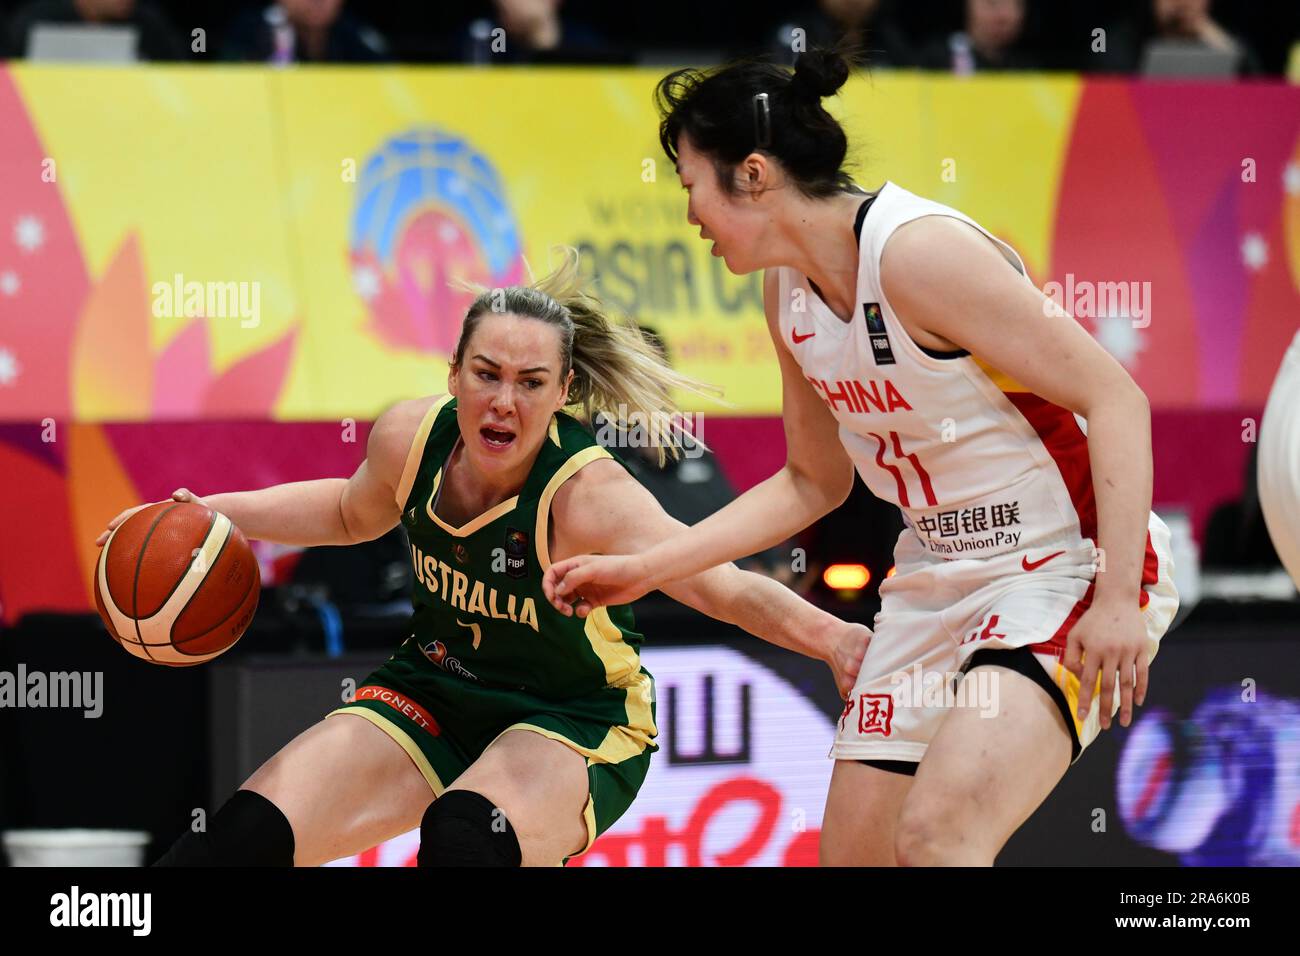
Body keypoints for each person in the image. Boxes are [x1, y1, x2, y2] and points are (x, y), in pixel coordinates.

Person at [544, 47, 1180, 866]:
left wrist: (1120, 597)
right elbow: (813, 480)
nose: (690, 212)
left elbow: (1116, 398)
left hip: (1058, 562)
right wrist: (649, 566)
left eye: (690, 182)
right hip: (932, 576)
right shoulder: (786, 290)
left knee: (940, 836)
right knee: (856, 856)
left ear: (755, 174)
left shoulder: (918, 254)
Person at [95, 248, 869, 867]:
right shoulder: (410, 437)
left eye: (532, 383)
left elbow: (724, 588)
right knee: (239, 843)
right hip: (431, 691)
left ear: (565, 391)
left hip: (571, 717)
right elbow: (343, 510)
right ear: (455, 374)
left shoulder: (589, 498)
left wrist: (835, 638)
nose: (505, 401)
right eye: (487, 375)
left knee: (467, 837)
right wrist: (204, 513)